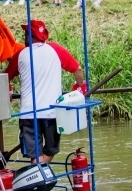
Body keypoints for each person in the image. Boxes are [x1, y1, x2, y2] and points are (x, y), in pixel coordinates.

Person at [6, 20, 85, 165]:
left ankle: (37, 172)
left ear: (29, 36)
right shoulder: (55, 49)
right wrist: (81, 87)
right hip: (52, 113)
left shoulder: (21, 54)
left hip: (28, 114)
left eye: (26, 34)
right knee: (50, 150)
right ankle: (39, 172)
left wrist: (9, 90)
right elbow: (77, 69)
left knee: (35, 154)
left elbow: (5, 78)